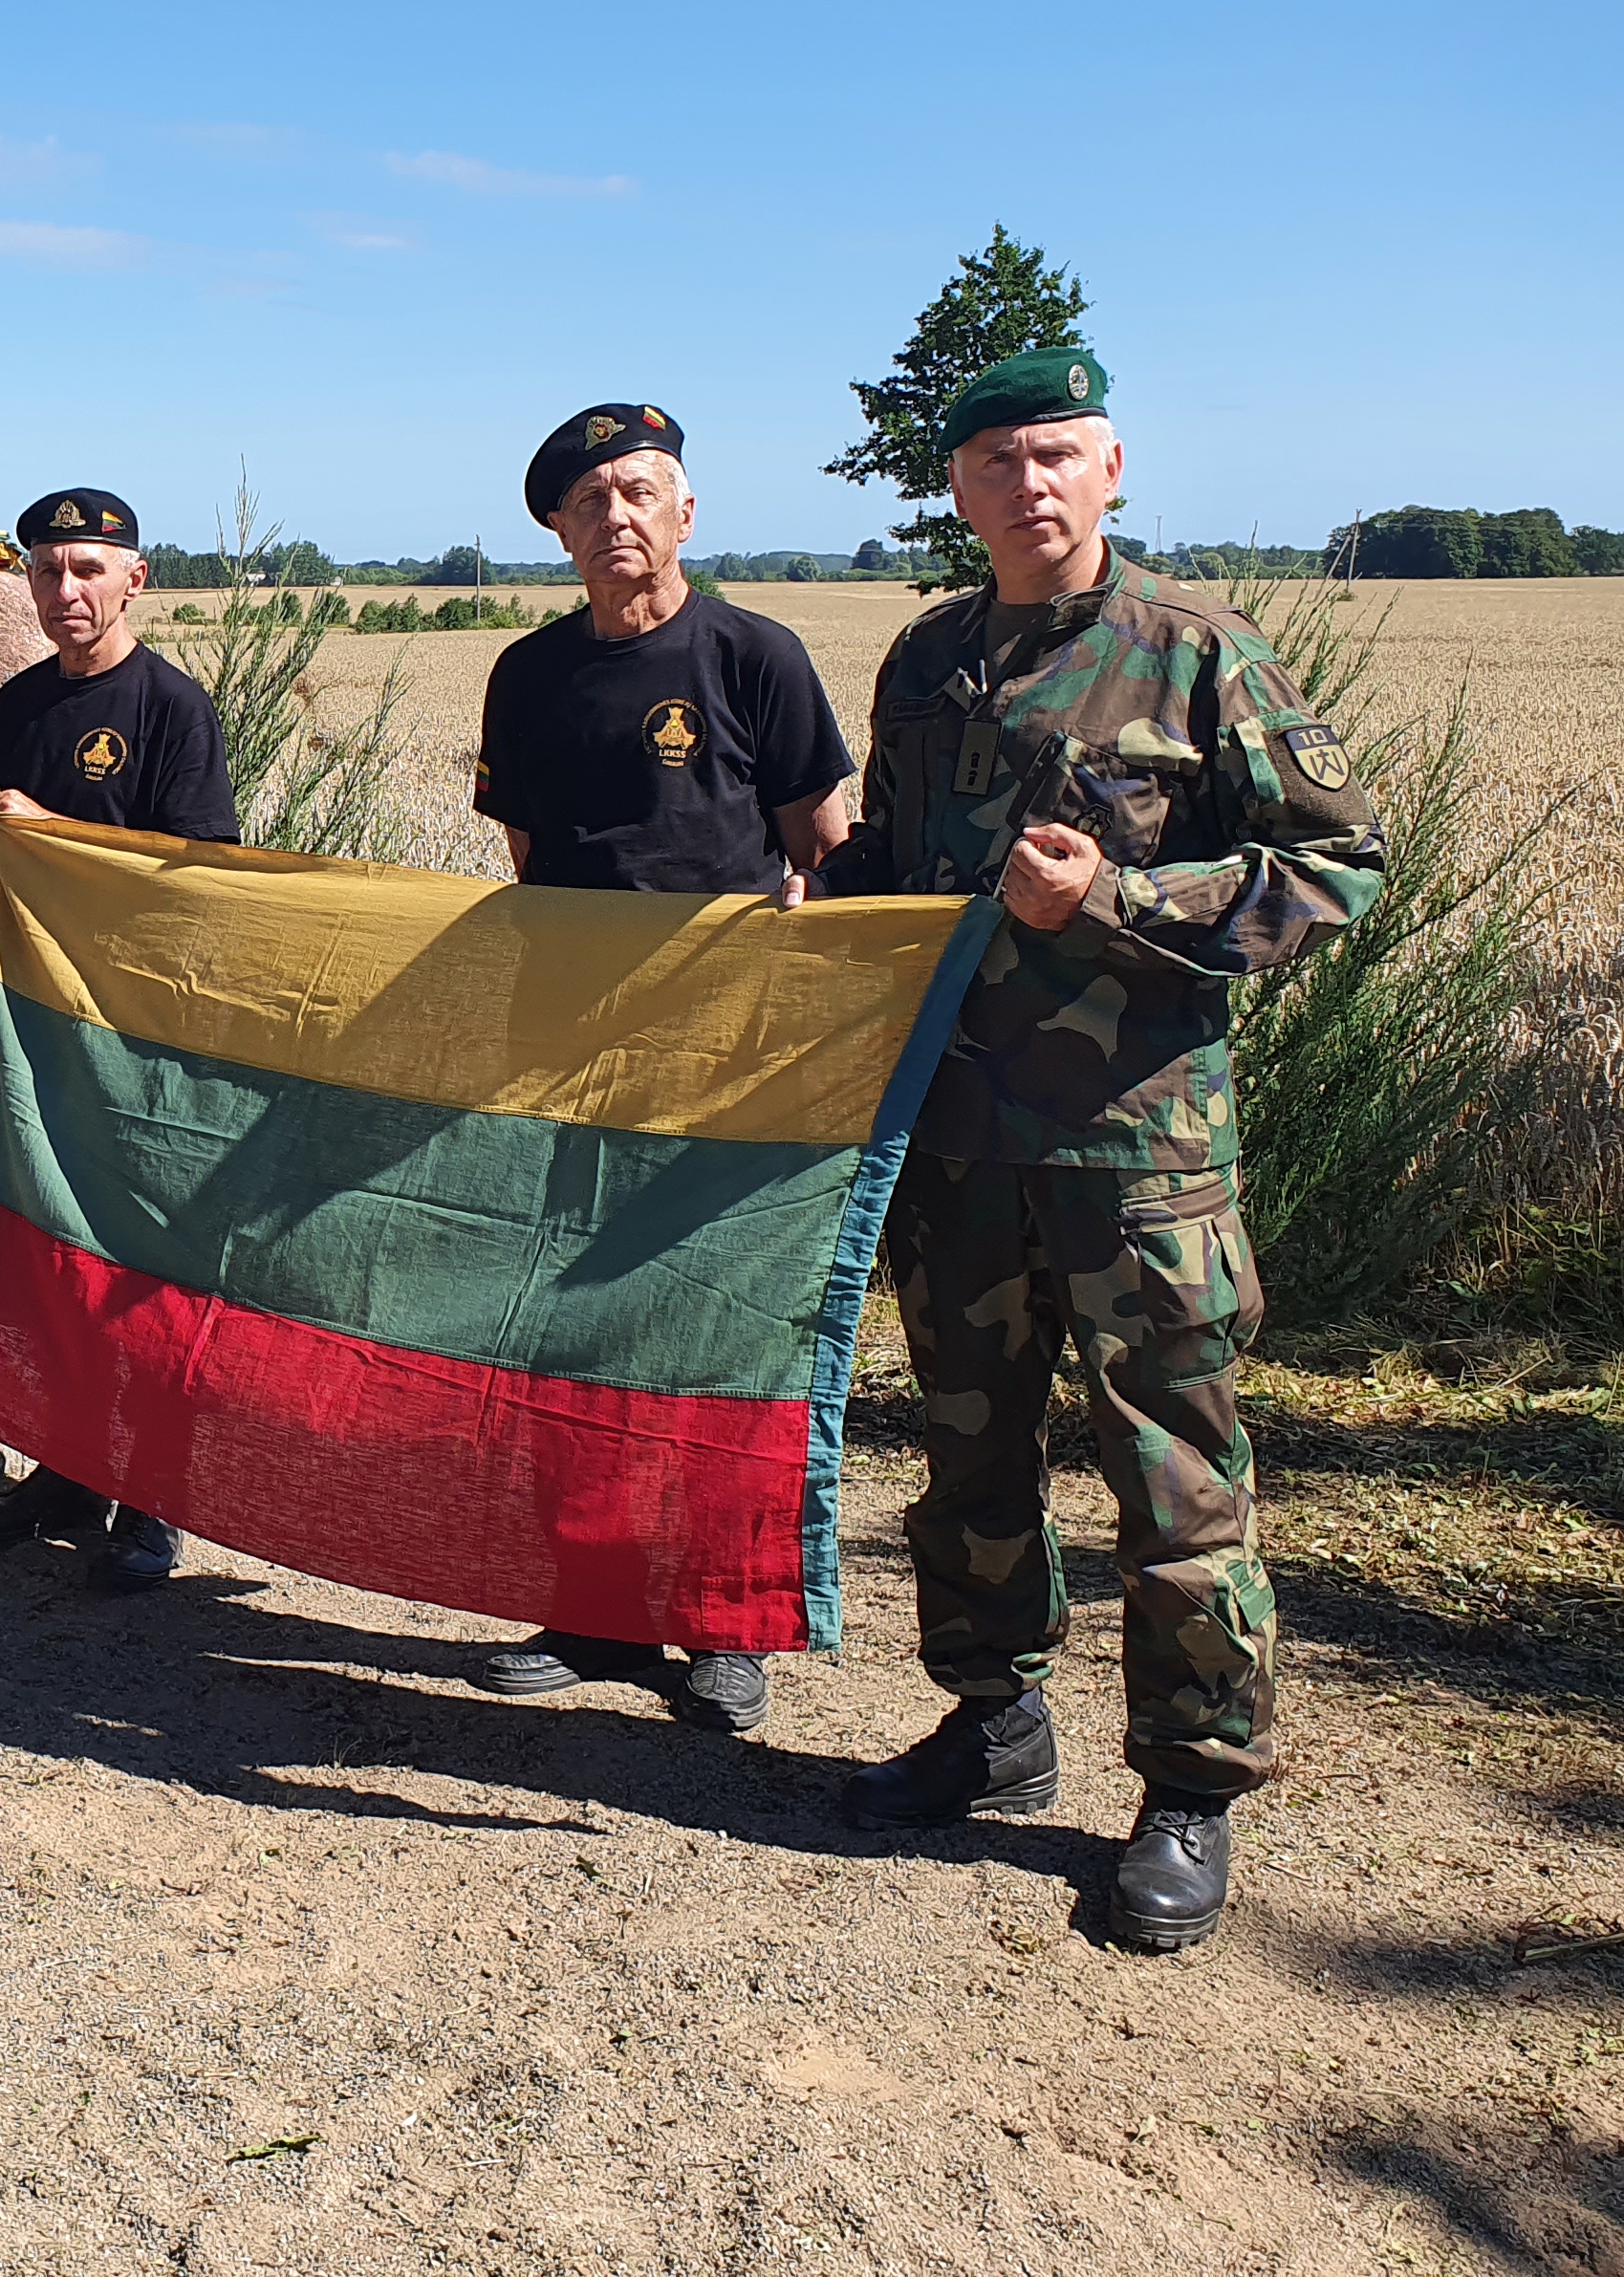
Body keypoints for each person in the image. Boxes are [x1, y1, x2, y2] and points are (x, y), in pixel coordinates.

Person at [812, 348, 1384, 1953]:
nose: (1029, 483)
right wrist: (817, 902)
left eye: (1057, 453)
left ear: (1112, 469)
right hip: (961, 1152)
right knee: (970, 1460)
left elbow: (1340, 867)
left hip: (1140, 1160)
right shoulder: (928, 665)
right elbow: (903, 857)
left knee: (1171, 1474)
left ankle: (1188, 1787)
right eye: (994, 459)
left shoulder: (1196, 655)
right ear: (957, 490)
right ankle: (991, 1721)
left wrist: (1125, 899)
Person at [464, 401, 858, 1735]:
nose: (616, 516)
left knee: (726, 1330)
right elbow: (527, 865)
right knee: (579, 1326)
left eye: (641, 491)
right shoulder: (526, 676)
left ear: (687, 513)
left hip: (739, 1062)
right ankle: (592, 1603)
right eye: (589, 502)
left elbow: (828, 844)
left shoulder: (756, 655)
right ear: (558, 533)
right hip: (577, 1056)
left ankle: (722, 1620)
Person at [0, 485, 241, 1593]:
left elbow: (204, 874)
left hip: (140, 1026)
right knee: (52, 1255)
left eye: (87, 570)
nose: (65, 591)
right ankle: (68, 1471)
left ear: (136, 579)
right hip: (41, 1023)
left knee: (139, 1267)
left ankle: (152, 1501)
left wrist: (54, 831)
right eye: (46, 571)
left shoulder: (173, 708)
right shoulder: (19, 707)